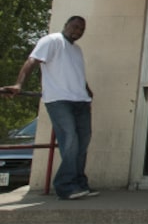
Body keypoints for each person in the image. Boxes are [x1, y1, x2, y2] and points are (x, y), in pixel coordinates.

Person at [1, 16, 98, 200]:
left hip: (81, 101)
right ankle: (65, 186)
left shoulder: (77, 50)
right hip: (59, 100)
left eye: (81, 29)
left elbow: (77, 74)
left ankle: (80, 183)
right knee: (70, 140)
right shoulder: (51, 40)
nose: (77, 31)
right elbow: (32, 61)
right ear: (66, 25)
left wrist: (87, 91)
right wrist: (19, 85)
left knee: (83, 143)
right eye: (75, 26)